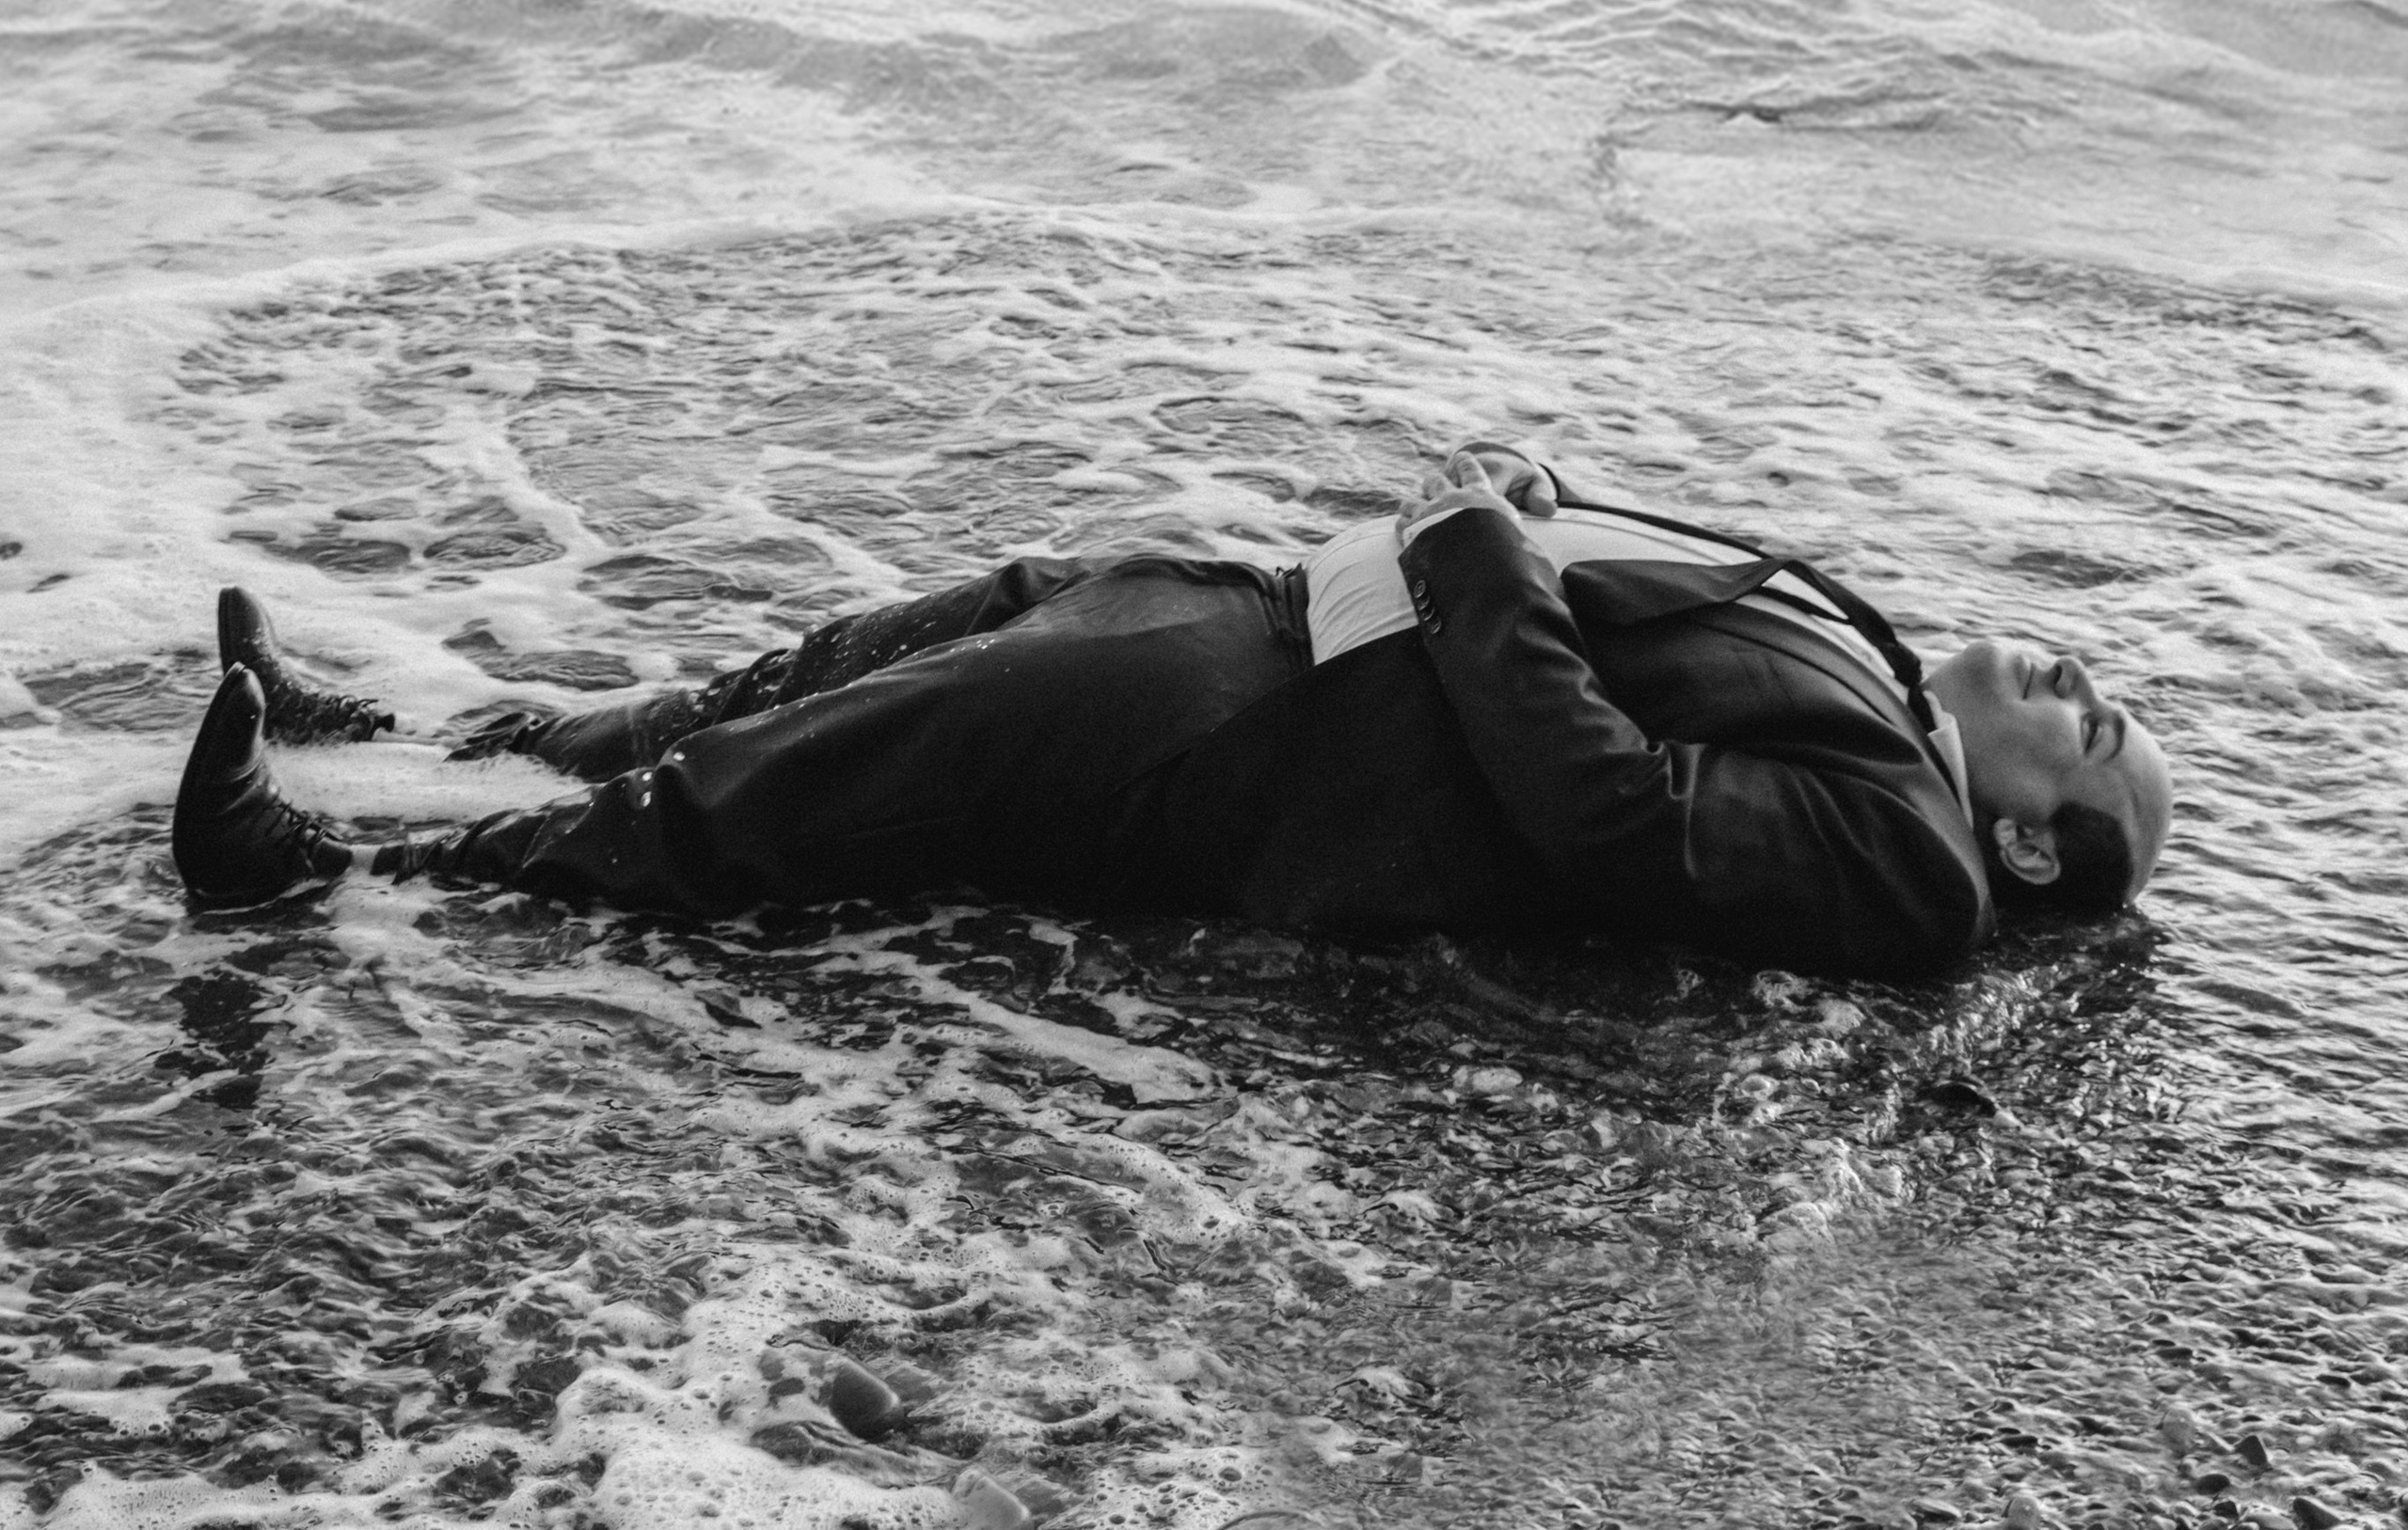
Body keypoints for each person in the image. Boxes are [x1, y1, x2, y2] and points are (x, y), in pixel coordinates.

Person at [170, 446, 2172, 985]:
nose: (2081, 690)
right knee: (838, 671)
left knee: (819, 778)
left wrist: (1477, 548)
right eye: (2099, 691)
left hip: (1280, 738)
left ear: (2018, 848)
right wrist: (1525, 512)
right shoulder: (1884, 707)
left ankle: (322, 869)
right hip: (1282, 627)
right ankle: (440, 731)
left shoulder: (1910, 864)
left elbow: (1612, 818)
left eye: (2090, 744)